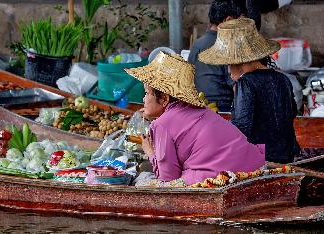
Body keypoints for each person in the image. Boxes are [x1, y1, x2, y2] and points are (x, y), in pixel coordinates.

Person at [125, 51, 265, 186]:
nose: (143, 99)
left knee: (143, 182)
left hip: (223, 178)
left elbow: (168, 178)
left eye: (147, 93)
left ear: (164, 98)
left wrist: (150, 152)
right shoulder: (203, 110)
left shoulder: (161, 124)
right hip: (253, 168)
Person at [198, 18, 299, 164]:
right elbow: (291, 113)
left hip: (261, 161)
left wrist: (214, 125)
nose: (228, 70)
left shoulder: (246, 83)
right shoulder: (283, 79)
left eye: (229, 63)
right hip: (287, 156)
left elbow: (240, 128)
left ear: (241, 61)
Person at [188, 0, 243, 112]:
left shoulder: (197, 44)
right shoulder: (228, 45)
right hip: (223, 109)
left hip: (198, 107)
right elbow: (236, 87)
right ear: (228, 20)